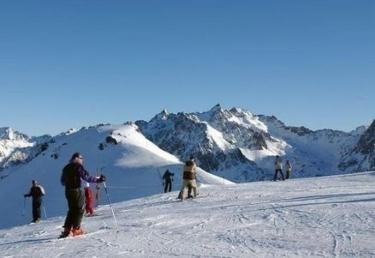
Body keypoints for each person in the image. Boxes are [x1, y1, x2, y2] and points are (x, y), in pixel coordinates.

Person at [59, 152, 106, 238]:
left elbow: (62, 181)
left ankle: (67, 229)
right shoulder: (78, 166)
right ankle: (76, 229)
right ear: (77, 158)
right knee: (80, 209)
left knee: (72, 210)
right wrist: (98, 180)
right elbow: (86, 178)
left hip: (68, 191)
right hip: (77, 190)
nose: (82, 160)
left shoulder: (66, 168)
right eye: (81, 158)